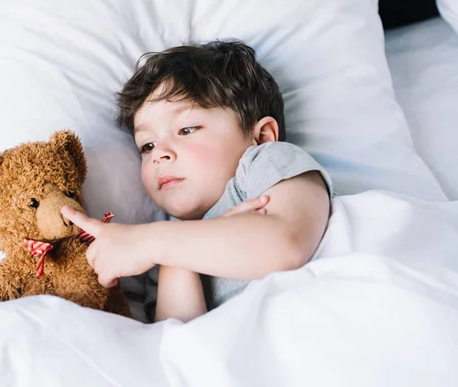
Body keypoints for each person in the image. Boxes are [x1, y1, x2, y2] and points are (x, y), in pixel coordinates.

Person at [62, 40, 333, 323]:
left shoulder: (263, 164)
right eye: (147, 145)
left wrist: (150, 242)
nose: (160, 155)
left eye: (186, 129)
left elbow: (287, 243)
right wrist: (173, 261)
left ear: (262, 136)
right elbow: (182, 340)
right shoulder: (160, 252)